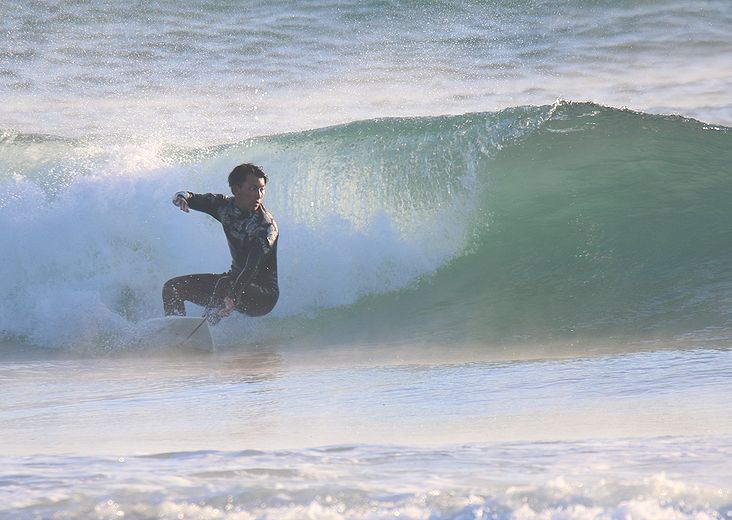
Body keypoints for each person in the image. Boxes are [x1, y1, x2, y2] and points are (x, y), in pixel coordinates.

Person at [162, 163, 279, 325]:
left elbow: (251, 268)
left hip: (262, 296)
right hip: (231, 283)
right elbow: (188, 196)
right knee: (172, 288)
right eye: (253, 189)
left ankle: (203, 329)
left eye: (262, 189)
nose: (259, 195)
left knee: (225, 283)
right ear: (236, 189)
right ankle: (176, 330)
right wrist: (181, 198)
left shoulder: (265, 227)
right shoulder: (223, 206)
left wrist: (233, 297)